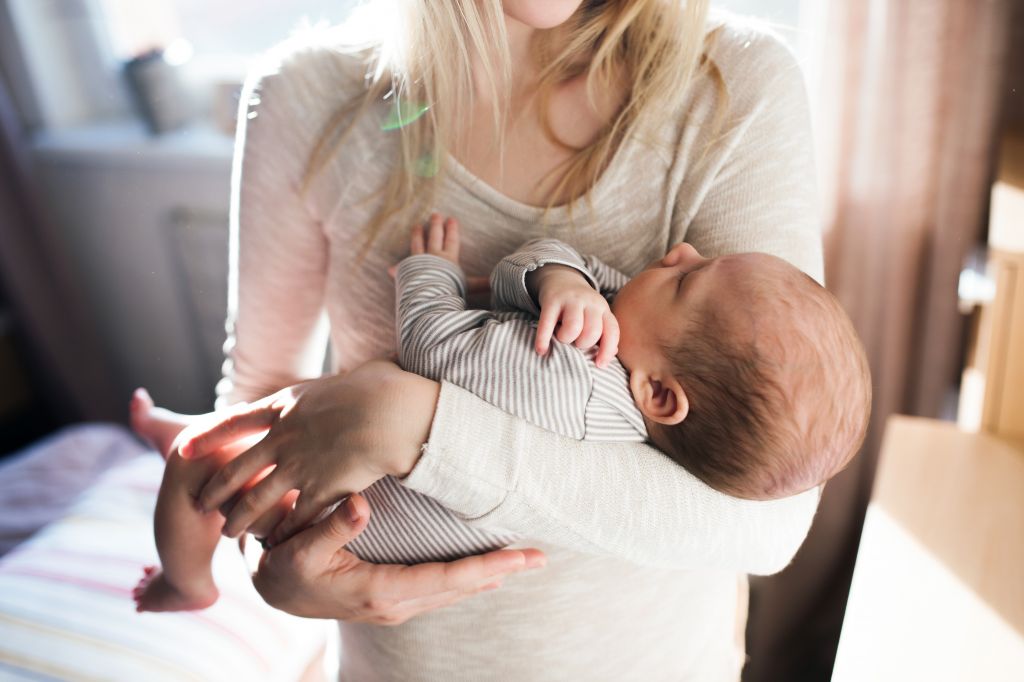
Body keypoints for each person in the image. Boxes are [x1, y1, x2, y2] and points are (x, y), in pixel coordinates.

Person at [134, 0, 832, 678]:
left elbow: (771, 522)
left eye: (685, 276)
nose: (676, 255)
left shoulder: (734, 84)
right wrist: (277, 574)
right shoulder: (307, 95)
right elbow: (257, 402)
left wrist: (409, 425)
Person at [130, 213, 868, 595]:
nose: (678, 250)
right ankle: (196, 427)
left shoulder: (573, 387)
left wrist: (430, 273)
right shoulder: (629, 352)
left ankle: (186, 581)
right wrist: (559, 281)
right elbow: (558, 264)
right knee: (251, 423)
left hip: (327, 511)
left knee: (196, 470)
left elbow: (430, 349)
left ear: (660, 395)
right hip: (346, 450)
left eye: (685, 280)